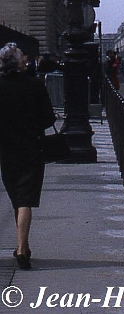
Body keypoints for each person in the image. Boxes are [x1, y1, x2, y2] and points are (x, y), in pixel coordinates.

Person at [0, 43, 57, 270]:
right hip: (32, 148)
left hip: (6, 149)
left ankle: (23, 245)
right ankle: (22, 249)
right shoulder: (35, 85)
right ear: (20, 63)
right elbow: (48, 120)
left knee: (17, 197)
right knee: (25, 199)